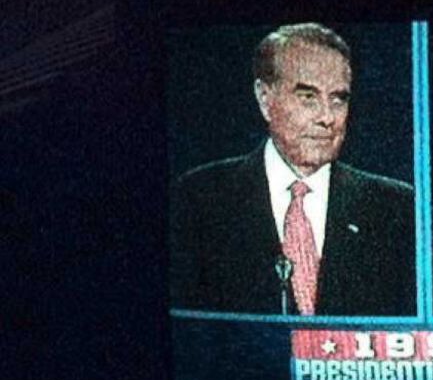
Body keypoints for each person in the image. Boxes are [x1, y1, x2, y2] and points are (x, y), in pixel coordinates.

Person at [170, 24, 414, 316]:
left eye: (338, 99)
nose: (327, 117)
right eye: (308, 97)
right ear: (264, 98)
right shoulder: (200, 198)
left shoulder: (396, 208)